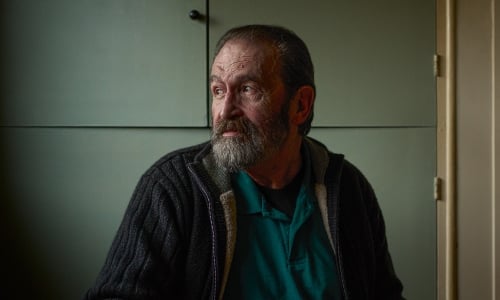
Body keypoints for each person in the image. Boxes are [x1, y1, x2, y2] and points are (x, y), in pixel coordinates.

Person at [85, 24, 404, 299]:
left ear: (301, 105)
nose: (224, 112)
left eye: (248, 89)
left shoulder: (349, 189)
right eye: (218, 90)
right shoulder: (172, 187)